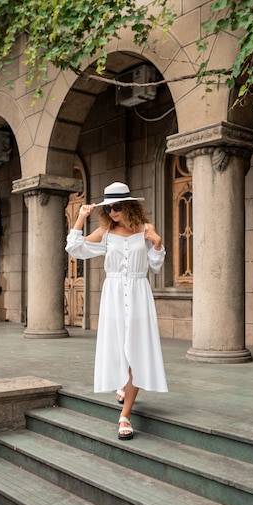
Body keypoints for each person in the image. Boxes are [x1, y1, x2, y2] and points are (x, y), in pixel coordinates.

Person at [65, 181, 168, 441]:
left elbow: (155, 267)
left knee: (136, 351)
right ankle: (123, 383)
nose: (112, 212)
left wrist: (156, 244)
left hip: (138, 292)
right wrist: (80, 217)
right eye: (108, 208)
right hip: (112, 294)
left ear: (130, 206)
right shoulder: (105, 232)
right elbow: (74, 249)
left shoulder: (146, 230)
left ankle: (125, 415)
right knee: (118, 347)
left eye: (117, 207)